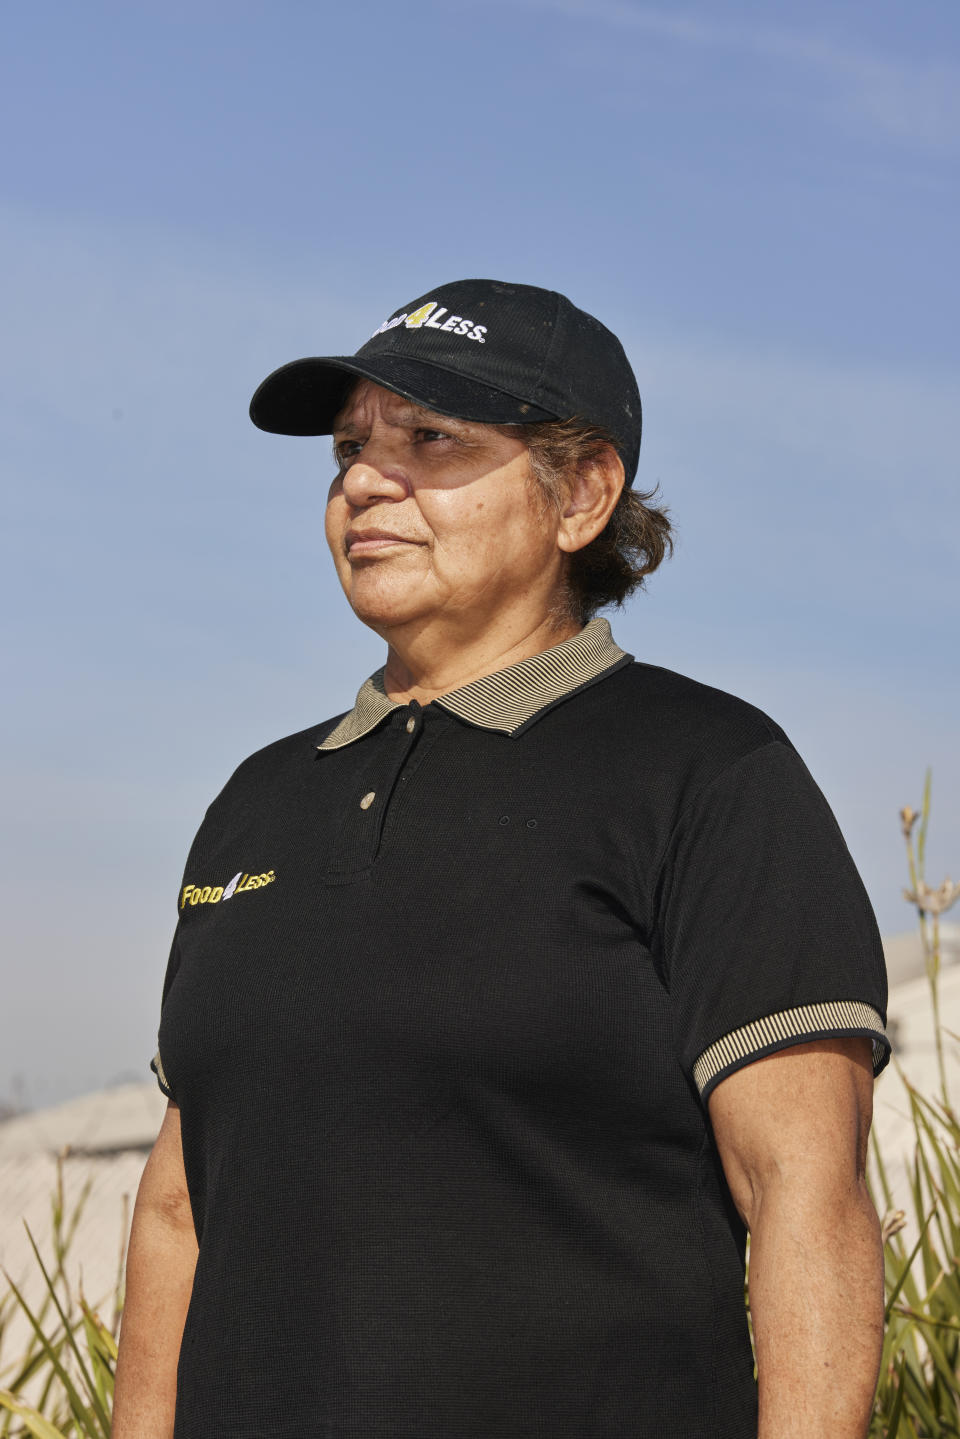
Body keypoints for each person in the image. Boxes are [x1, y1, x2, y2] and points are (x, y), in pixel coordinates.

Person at [112, 278, 890, 1439]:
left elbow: (804, 1195)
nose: (365, 480)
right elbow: (180, 1209)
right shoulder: (256, 802)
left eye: (430, 438)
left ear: (580, 492)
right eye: (348, 448)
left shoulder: (710, 771)